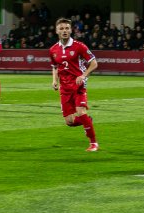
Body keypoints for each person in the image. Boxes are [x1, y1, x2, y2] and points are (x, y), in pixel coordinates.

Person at [50, 18, 99, 152]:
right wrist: (54, 80)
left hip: (78, 86)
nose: (64, 31)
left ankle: (93, 143)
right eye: (61, 28)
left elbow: (94, 63)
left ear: (71, 30)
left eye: (67, 28)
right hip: (64, 89)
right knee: (70, 122)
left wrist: (83, 75)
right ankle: (87, 121)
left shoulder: (79, 46)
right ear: (56, 31)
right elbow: (55, 66)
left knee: (81, 112)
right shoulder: (53, 50)